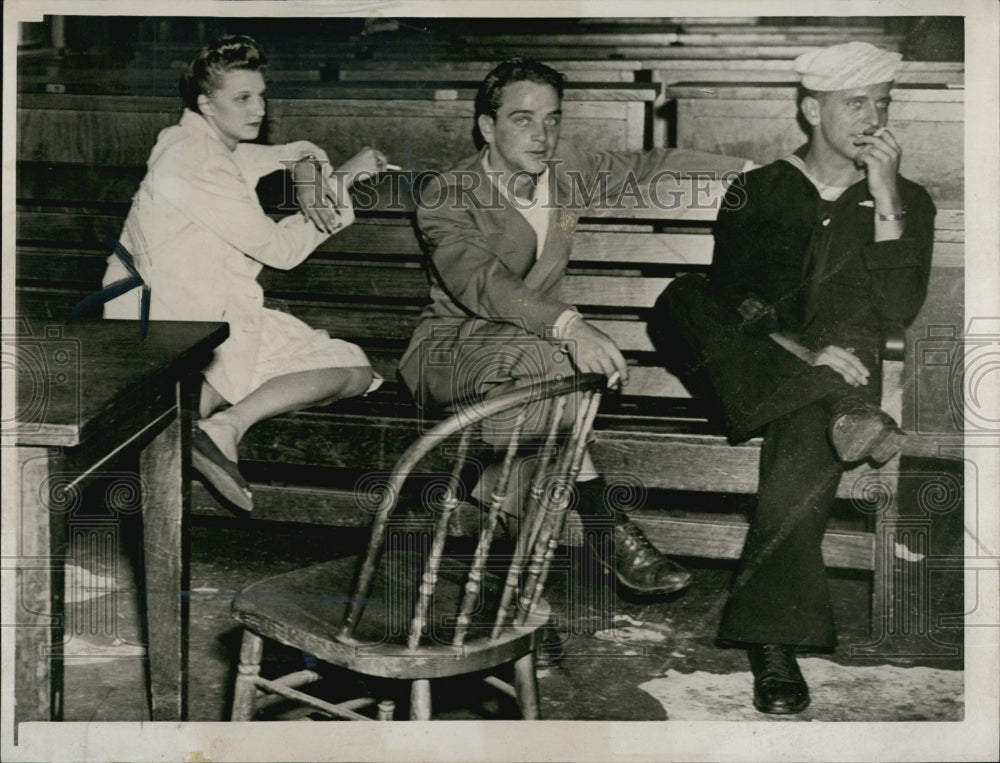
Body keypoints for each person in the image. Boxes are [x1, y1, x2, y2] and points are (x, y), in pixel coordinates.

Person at [648, 42, 935, 714]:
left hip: (835, 383)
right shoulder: (762, 188)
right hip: (762, 368)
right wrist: (803, 360)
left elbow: (898, 310)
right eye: (855, 102)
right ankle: (838, 410)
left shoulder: (907, 200)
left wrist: (886, 194)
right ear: (811, 108)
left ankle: (772, 647)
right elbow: (736, 298)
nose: (872, 116)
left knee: (806, 427)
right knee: (681, 298)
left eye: (882, 104)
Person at [398, 58, 749, 596]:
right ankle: (603, 523)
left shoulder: (566, 169)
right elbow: (481, 282)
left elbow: (650, 164)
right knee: (550, 365)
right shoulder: (448, 194)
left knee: (535, 399)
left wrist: (752, 170)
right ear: (486, 127)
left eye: (552, 119)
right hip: (450, 355)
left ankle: (517, 590)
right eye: (523, 119)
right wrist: (567, 325)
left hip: (530, 372)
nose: (542, 136)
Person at [101, 35, 388, 512]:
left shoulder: (193, 140)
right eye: (242, 98)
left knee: (351, 367)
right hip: (170, 329)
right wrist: (342, 182)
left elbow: (294, 149)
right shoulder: (196, 165)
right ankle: (219, 427)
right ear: (206, 104)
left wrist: (309, 173)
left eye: (261, 95)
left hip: (199, 318)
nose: (258, 109)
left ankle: (211, 423)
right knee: (352, 367)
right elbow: (282, 251)